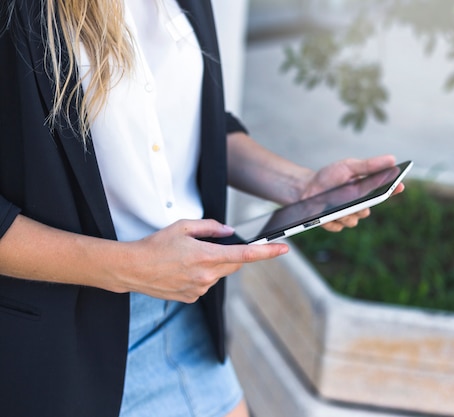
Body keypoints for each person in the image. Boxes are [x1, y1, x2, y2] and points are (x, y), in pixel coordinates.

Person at [0, 1, 403, 417]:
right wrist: (131, 266)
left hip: (183, 313)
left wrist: (301, 185)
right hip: (54, 350)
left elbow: (194, 127)